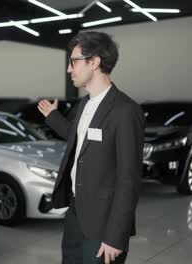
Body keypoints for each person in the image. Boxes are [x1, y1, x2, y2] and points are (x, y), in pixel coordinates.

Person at [38, 31, 145, 264]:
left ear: (94, 62)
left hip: (104, 223)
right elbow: (80, 140)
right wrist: (54, 117)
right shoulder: (85, 103)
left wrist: (116, 236)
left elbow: (129, 180)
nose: (69, 69)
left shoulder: (125, 111)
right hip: (77, 212)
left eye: (74, 61)